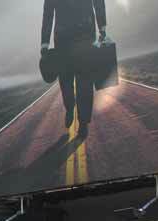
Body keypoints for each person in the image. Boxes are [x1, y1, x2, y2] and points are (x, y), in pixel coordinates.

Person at [41, 0, 108, 139]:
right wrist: (44, 42)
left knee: (82, 82)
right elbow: (48, 11)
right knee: (69, 82)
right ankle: (70, 107)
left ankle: (82, 122)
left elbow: (98, 2)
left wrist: (103, 27)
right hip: (72, 37)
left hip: (76, 37)